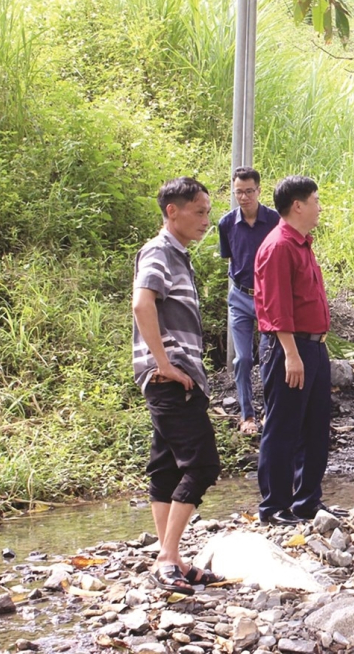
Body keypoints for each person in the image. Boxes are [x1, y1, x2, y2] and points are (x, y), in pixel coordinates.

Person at [132, 177, 223, 595]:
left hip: (178, 376)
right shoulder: (159, 250)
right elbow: (141, 302)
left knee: (165, 466)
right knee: (202, 463)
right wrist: (164, 364)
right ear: (173, 211)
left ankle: (173, 558)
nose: (207, 219)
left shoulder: (178, 254)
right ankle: (166, 559)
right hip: (170, 377)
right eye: (200, 211)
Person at [253, 176, 339, 525]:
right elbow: (276, 306)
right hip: (290, 346)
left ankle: (307, 500)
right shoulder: (279, 246)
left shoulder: (302, 243)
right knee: (284, 425)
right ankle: (274, 506)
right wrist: (291, 353)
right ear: (298, 205)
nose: (320, 207)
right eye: (316, 200)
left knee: (316, 425)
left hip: (314, 346)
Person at [218, 166, 280, 434]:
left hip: (269, 298)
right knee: (242, 359)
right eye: (238, 192)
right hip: (240, 296)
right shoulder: (227, 223)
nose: (244, 197)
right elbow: (230, 257)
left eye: (249, 191)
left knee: (269, 357)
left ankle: (270, 412)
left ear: (259, 190)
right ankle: (247, 415)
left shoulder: (276, 220)